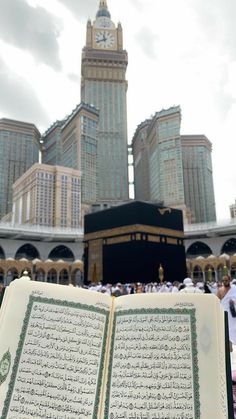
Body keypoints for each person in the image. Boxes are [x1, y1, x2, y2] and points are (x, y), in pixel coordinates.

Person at [217, 275, 236, 353]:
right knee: (227, 331)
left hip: (233, 314)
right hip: (225, 314)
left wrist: (233, 302)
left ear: (229, 280)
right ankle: (230, 348)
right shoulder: (220, 290)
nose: (225, 282)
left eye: (226, 280)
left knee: (233, 330)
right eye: (223, 281)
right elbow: (217, 301)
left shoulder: (234, 289)